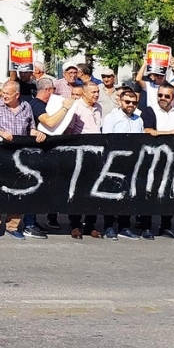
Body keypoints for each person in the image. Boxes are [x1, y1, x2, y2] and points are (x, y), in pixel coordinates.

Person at [0, 80, 46, 240]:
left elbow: (30, 128)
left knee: (19, 191)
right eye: (2, 93)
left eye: (7, 94)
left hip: (20, 157)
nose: (3, 96)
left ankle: (13, 225)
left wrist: (37, 133)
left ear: (17, 95)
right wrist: (0, 132)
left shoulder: (26, 107)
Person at [138, 82, 174, 239]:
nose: (162, 98)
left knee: (169, 192)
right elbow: (147, 131)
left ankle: (165, 226)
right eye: (159, 95)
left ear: (173, 97)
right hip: (152, 159)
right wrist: (170, 133)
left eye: (166, 96)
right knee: (149, 193)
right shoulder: (149, 111)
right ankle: (146, 227)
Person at [101, 85, 145, 240]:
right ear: (120, 101)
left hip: (132, 163)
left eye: (134, 103)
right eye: (127, 102)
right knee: (111, 197)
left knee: (127, 196)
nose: (131, 105)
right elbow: (107, 141)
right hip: (114, 163)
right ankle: (108, 227)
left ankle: (124, 226)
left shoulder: (138, 120)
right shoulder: (111, 118)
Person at [67, 79, 105, 239]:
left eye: (97, 92)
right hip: (79, 152)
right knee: (78, 189)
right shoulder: (76, 107)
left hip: (96, 153)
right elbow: (69, 130)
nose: (96, 95)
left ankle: (91, 224)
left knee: (94, 190)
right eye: (93, 92)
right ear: (84, 93)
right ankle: (75, 224)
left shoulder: (99, 107)